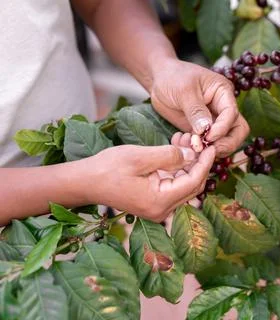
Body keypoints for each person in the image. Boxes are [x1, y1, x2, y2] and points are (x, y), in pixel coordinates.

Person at [0, 0, 249, 225]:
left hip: (89, 211)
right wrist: (85, 182)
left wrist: (162, 68)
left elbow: (99, 4)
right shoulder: (91, 182)